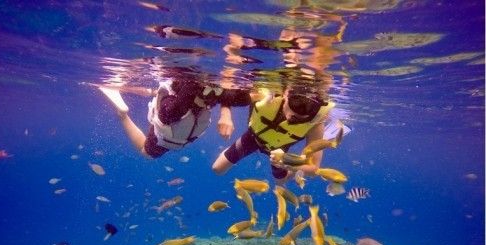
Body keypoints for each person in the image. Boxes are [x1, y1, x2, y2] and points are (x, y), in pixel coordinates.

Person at [212, 86, 338, 183]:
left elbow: (314, 168)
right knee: (217, 169)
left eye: (300, 119)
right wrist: (225, 116)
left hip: (280, 151)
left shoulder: (316, 123)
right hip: (253, 137)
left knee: (280, 182)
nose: (290, 118)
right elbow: (227, 94)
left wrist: (289, 165)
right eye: (294, 105)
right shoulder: (265, 95)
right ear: (285, 95)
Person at [99, 77, 252, 159]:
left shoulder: (215, 90)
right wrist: (225, 109)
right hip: (179, 117)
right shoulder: (218, 91)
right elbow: (243, 99)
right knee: (146, 151)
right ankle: (123, 114)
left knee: (146, 151)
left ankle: (122, 114)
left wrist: (225, 108)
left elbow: (244, 99)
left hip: (175, 115)